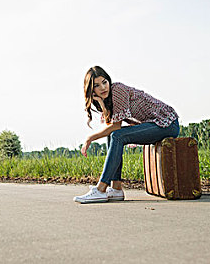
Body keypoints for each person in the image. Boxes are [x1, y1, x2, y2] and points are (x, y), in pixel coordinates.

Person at [74, 66, 180, 204]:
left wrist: (90, 138)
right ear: (91, 90)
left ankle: (100, 189)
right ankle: (116, 188)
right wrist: (101, 102)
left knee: (117, 135)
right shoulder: (108, 98)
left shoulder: (117, 90)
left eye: (104, 82)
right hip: (154, 124)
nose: (103, 88)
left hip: (167, 124)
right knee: (112, 135)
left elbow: (116, 126)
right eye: (97, 86)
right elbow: (110, 124)